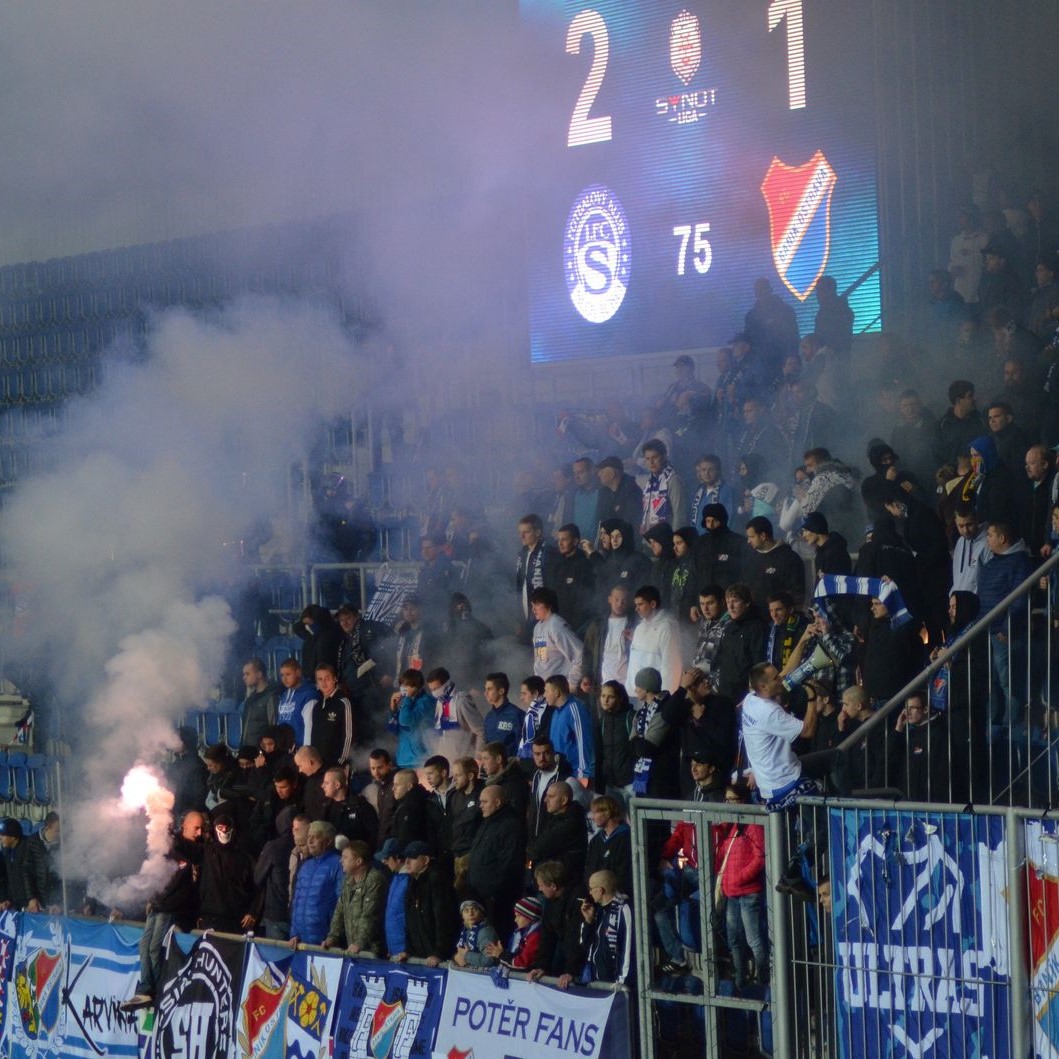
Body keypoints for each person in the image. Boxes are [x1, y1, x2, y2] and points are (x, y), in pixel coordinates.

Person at [123, 810, 206, 1009]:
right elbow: (156, 873)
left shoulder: (197, 852)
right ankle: (145, 988)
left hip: (170, 908)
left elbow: (179, 887)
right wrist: (151, 897)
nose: (199, 832)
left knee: (154, 947)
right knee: (144, 945)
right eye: (196, 828)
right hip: (159, 904)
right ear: (185, 825)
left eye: (202, 828)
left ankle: (156, 989)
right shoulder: (172, 846)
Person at [740, 663, 819, 809]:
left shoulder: (750, 699)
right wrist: (812, 695)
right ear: (764, 687)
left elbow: (785, 672)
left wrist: (802, 641)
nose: (781, 678)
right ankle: (847, 803)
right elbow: (808, 731)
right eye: (776, 678)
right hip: (786, 782)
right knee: (819, 824)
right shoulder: (769, 712)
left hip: (770, 780)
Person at [715, 782, 768, 989]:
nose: (727, 803)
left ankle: (764, 980)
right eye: (725, 799)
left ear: (743, 801)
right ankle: (740, 981)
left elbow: (760, 856)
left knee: (753, 939)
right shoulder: (731, 827)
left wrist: (740, 877)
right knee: (734, 940)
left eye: (732, 799)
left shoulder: (752, 825)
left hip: (747, 892)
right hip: (731, 892)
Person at [467, 784, 527, 940]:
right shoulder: (488, 821)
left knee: (499, 935)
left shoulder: (511, 825)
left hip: (498, 898)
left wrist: (493, 890)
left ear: (498, 802)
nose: (480, 806)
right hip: (482, 895)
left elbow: (510, 863)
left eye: (484, 802)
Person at [323, 840, 388, 955]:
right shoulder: (348, 880)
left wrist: (359, 942)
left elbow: (370, 915)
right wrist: (332, 938)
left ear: (358, 861)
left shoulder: (374, 879)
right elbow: (339, 911)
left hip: (372, 951)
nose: (341, 860)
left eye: (345, 857)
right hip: (353, 949)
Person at [289, 820, 344, 947]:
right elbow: (297, 901)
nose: (310, 841)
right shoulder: (306, 866)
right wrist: (294, 933)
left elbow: (342, 903)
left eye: (316, 837)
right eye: (309, 836)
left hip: (325, 944)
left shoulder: (338, 864)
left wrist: (333, 937)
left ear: (329, 841)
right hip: (301, 942)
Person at [198, 814, 256, 933]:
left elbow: (255, 887)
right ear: (214, 828)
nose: (224, 831)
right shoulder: (206, 852)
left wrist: (252, 912)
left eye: (226, 828)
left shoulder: (245, 858)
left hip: (236, 920)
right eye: (221, 827)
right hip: (211, 918)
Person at [626, 585, 682, 697]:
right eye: (636, 605)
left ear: (653, 604)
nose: (636, 609)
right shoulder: (639, 628)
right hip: (634, 693)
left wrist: (666, 697)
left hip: (653, 696)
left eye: (640, 604)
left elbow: (670, 665)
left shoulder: (667, 628)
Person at [579, 870, 633, 986]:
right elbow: (584, 944)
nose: (589, 892)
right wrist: (588, 921)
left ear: (600, 890)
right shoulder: (598, 911)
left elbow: (627, 947)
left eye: (591, 888)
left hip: (615, 985)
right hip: (596, 981)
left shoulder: (623, 909)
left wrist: (622, 982)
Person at [744, 516, 806, 608]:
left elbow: (797, 593)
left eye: (751, 537)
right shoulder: (751, 558)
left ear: (763, 536)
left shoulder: (790, 558)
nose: (748, 541)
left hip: (779, 618)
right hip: (754, 617)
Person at [542, 675, 594, 783]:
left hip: (574, 776)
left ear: (556, 692)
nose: (544, 695)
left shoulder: (575, 709)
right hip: (559, 773)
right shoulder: (556, 711)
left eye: (546, 691)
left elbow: (584, 743)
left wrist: (583, 775)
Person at [425, 666, 484, 762]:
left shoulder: (462, 701)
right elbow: (442, 733)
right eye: (431, 690)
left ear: (446, 684)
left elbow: (480, 730)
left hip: (464, 760)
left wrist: (478, 757)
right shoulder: (440, 702)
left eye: (436, 688)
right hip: (447, 759)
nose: (434, 693)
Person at [530, 587, 584, 686]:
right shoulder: (537, 627)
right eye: (532, 605)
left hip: (558, 687)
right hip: (543, 687)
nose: (533, 609)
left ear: (549, 605)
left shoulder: (557, 625)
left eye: (537, 605)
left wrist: (572, 682)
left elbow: (580, 653)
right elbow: (539, 659)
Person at [584, 796, 632, 897]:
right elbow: (589, 867)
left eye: (596, 813)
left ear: (607, 813)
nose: (593, 817)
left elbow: (624, 872)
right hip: (596, 895)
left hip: (617, 896)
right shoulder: (596, 840)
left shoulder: (626, 837)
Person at [320, 766, 378, 849]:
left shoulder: (361, 806)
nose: (322, 786)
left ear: (337, 785)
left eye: (326, 783)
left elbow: (373, 836)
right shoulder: (327, 807)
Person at [388, 669, 435, 769]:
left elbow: (406, 720)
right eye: (402, 685)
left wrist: (408, 698)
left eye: (407, 686)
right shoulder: (405, 702)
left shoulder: (426, 701)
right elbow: (393, 730)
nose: (404, 689)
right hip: (403, 759)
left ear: (416, 687)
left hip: (420, 759)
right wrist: (393, 709)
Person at [639, 438, 686, 535]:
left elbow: (679, 515)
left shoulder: (673, 480)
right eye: (647, 458)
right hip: (650, 541)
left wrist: (675, 541)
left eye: (655, 457)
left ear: (664, 456)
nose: (651, 462)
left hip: (667, 540)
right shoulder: (649, 482)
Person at [485, 894, 544, 970]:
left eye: (518, 916)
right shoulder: (519, 933)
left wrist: (501, 955)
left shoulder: (536, 936)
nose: (515, 920)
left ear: (530, 917)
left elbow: (523, 963)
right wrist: (502, 954)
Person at [275, 658, 321, 750]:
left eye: (288, 674)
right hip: (285, 749)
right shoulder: (284, 695)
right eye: (282, 675)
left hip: (300, 750)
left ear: (298, 673)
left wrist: (306, 750)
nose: (284, 679)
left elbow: (310, 726)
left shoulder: (309, 695)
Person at [481, 672, 523, 760]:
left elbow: (523, 744)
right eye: (485, 689)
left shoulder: (517, 715)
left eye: (489, 689)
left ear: (501, 691)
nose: (485, 693)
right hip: (492, 768)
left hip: (511, 767)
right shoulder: (489, 717)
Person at [240, 657, 279, 749]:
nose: (244, 677)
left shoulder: (271, 697)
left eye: (247, 674)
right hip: (248, 751)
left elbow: (273, 727)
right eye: (244, 674)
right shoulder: (250, 699)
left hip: (261, 753)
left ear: (259, 674)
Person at [452, 898, 500, 968]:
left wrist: (466, 956)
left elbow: (488, 960)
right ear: (462, 915)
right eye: (466, 910)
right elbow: (460, 953)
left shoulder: (486, 932)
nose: (470, 913)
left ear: (481, 912)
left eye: (474, 909)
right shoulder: (466, 931)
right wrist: (456, 957)